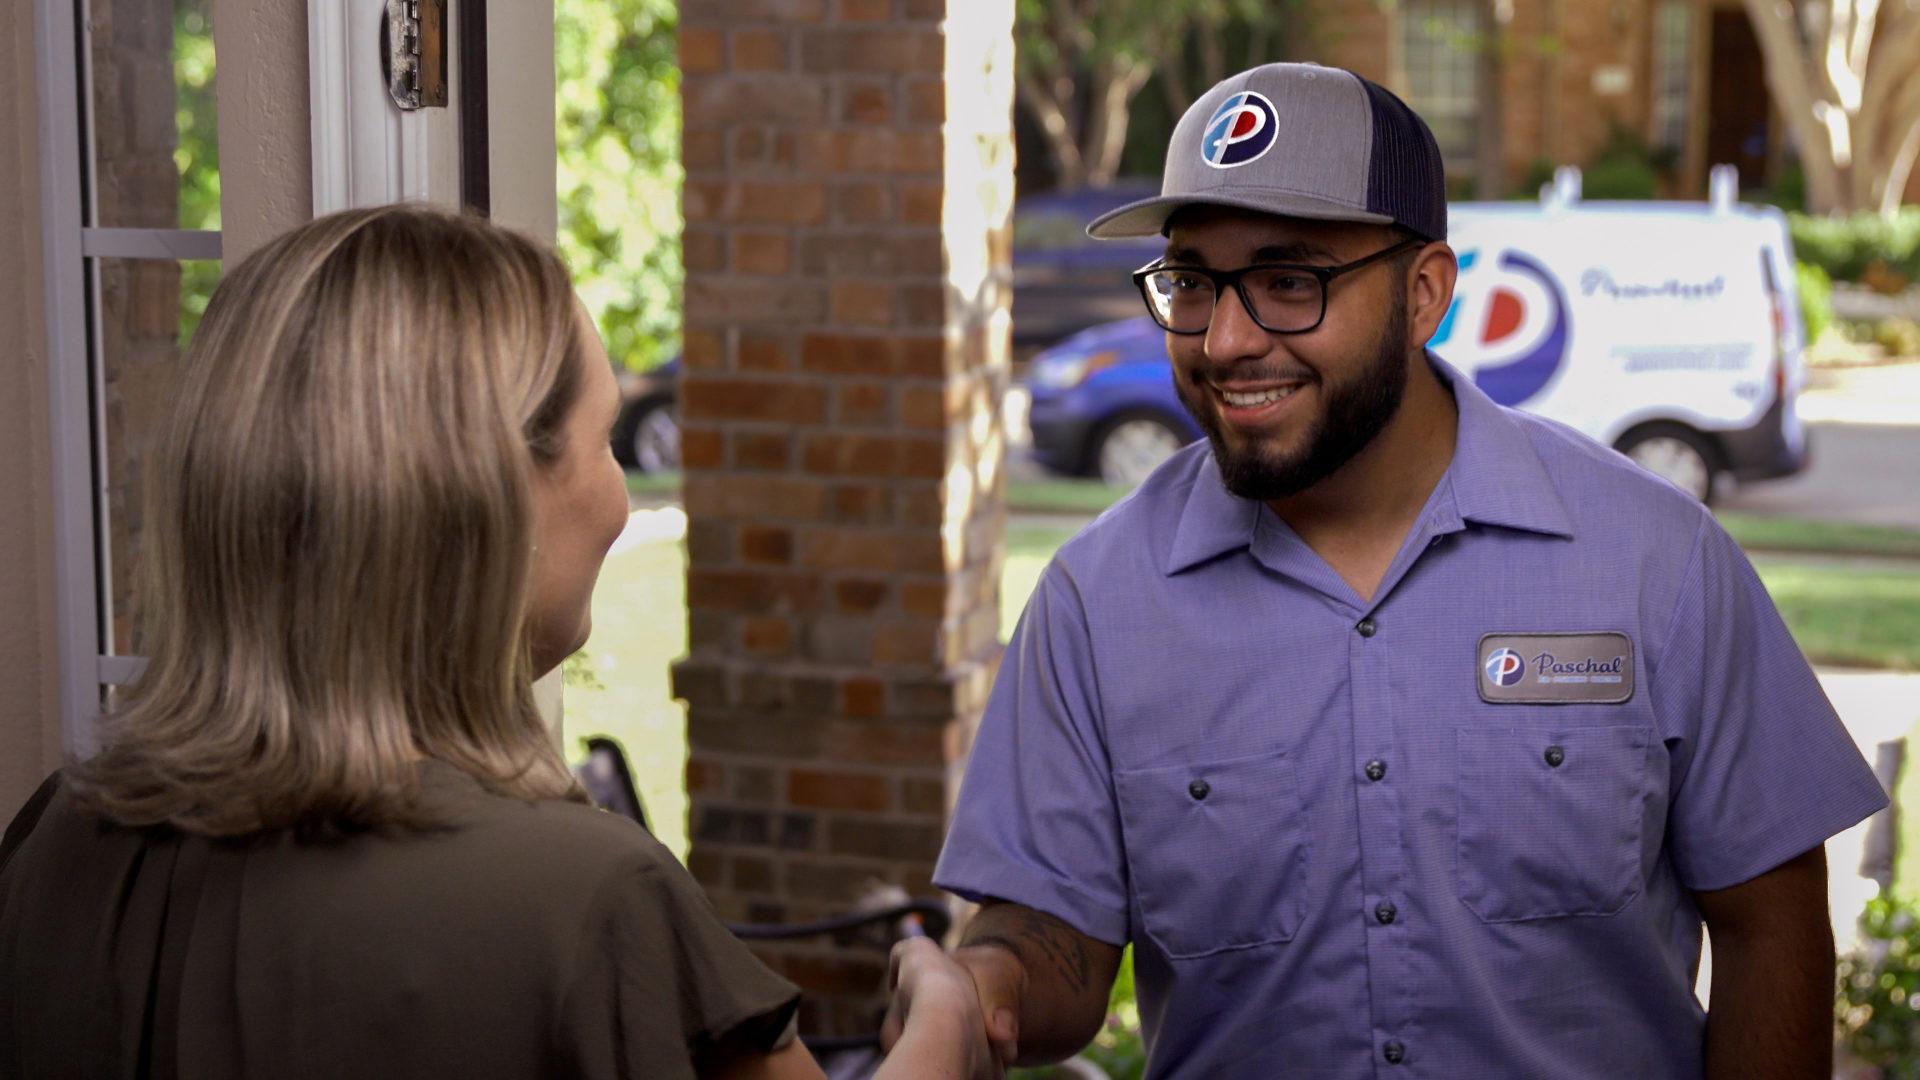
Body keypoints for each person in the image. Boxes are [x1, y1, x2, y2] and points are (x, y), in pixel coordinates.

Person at [912, 63, 1889, 1078]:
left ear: (1424, 294)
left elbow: (1770, 923)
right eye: (1194, 282)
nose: (1226, 340)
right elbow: (1051, 940)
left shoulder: (1659, 563)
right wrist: (978, 990)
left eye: (1291, 281)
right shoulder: (1094, 603)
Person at [0, 205, 992, 1080]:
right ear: (485, 504)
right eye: (606, 441)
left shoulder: (56, 838)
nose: (621, 497)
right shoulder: (587, 903)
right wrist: (942, 1018)